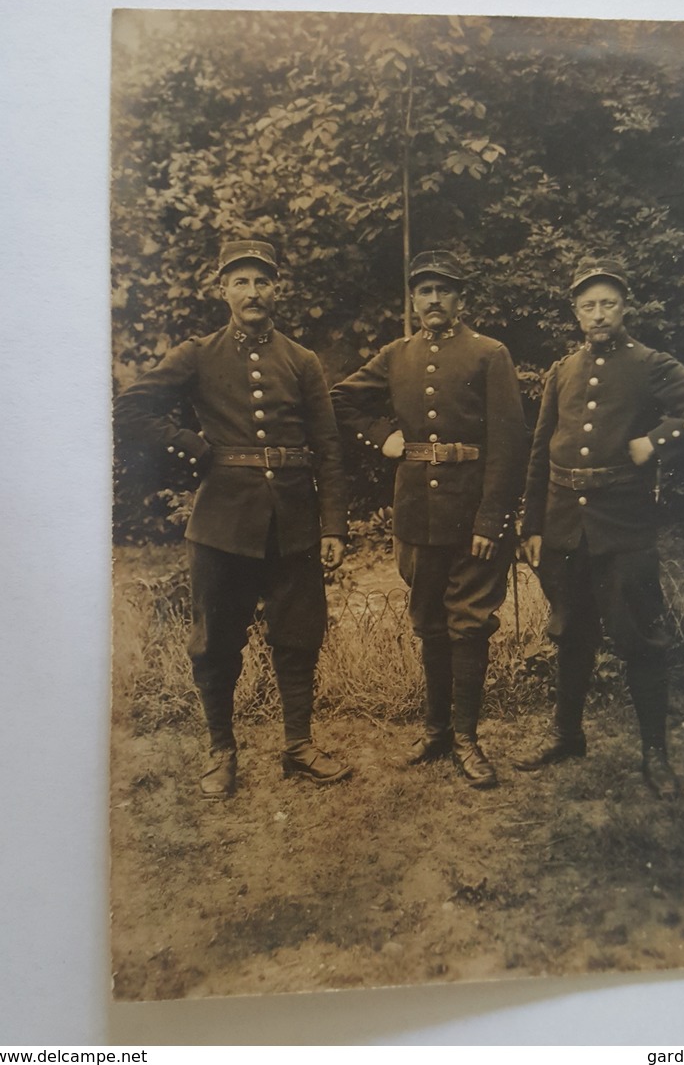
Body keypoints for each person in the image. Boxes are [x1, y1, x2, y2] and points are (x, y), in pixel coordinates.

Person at [116, 239, 351, 798]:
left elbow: (329, 448)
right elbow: (130, 408)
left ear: (276, 290)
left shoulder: (301, 360)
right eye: (240, 281)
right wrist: (190, 447)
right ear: (222, 290)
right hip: (221, 523)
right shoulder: (197, 354)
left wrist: (333, 525)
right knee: (216, 641)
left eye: (262, 281)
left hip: (293, 520)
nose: (252, 291)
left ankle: (298, 747)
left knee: (297, 635)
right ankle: (222, 751)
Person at [516, 256, 684, 797]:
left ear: (623, 306)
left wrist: (654, 441)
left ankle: (654, 756)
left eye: (607, 303)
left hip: (623, 524)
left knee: (640, 637)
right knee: (569, 632)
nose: (598, 314)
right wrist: (532, 524)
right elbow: (540, 451)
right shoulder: (563, 370)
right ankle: (567, 737)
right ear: (575, 312)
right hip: (566, 525)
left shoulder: (649, 363)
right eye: (587, 305)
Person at [331, 250, 527, 789]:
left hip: (473, 516)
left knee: (469, 624)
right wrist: (384, 438)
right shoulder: (397, 354)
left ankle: (467, 738)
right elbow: (341, 398)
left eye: (444, 290)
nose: (434, 299)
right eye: (425, 291)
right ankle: (436, 730)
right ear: (414, 301)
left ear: (461, 299)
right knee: (429, 622)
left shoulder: (490, 354)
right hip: (417, 513)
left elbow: (510, 445)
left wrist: (492, 519)